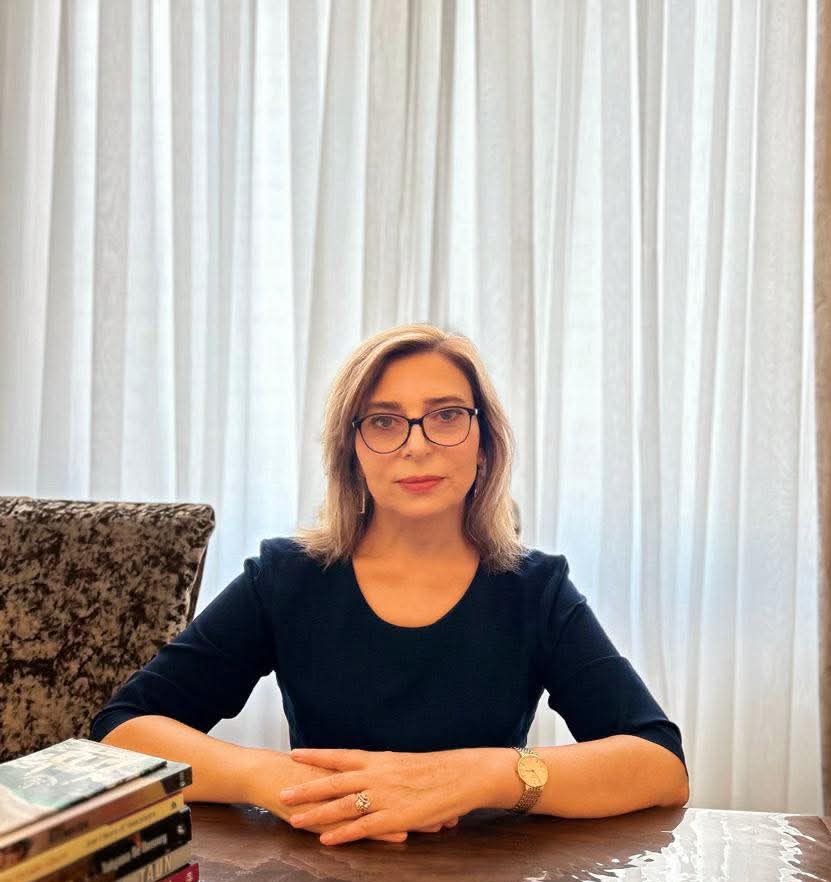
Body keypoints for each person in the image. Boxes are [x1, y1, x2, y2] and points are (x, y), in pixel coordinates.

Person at [92, 325, 688, 846]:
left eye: (447, 415)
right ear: (352, 453)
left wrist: (481, 776)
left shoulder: (535, 589)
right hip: (322, 876)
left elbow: (660, 765)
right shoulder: (287, 577)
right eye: (383, 422)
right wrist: (272, 780)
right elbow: (122, 731)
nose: (418, 445)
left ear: (485, 444)